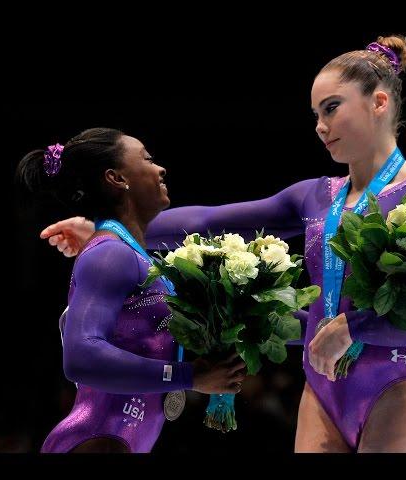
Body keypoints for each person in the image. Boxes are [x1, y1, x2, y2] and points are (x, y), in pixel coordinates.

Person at [40, 36, 406, 452]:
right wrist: (105, 226)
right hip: (321, 393)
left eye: (332, 108)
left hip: (393, 388)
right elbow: (207, 220)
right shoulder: (315, 196)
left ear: (378, 102)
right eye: (316, 114)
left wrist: (355, 327)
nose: (320, 126)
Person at [17, 128, 245, 453]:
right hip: (96, 439)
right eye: (147, 159)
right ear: (116, 178)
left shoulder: (136, 257)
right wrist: (189, 376)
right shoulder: (109, 254)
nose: (160, 168)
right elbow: (81, 358)